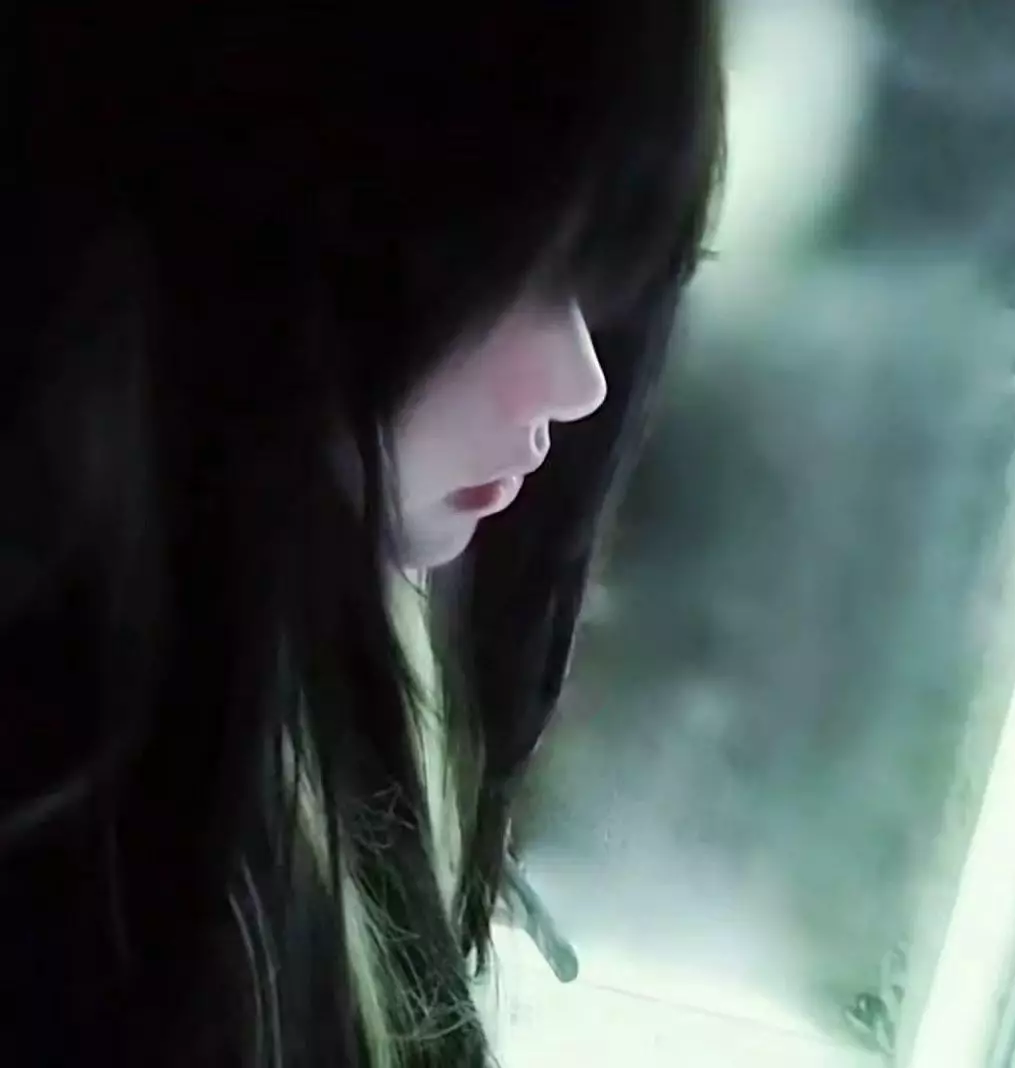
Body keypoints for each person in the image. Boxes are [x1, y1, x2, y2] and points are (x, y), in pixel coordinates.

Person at [1, 3, 726, 1066]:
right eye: (531, 268)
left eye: (597, 285)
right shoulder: (78, 856)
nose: (581, 384)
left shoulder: (285, 714)